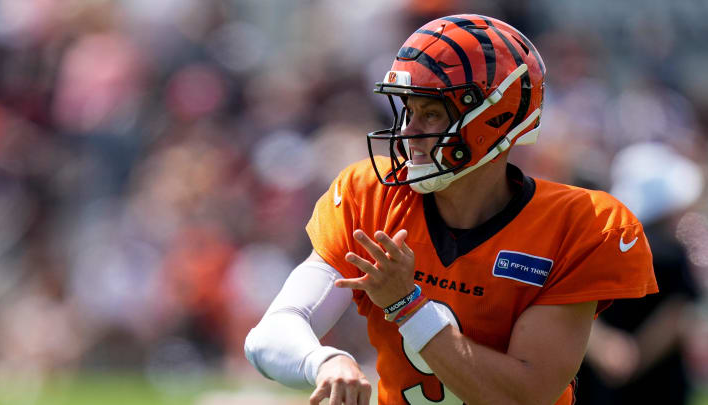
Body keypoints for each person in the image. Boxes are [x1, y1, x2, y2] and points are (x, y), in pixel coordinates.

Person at [245, 14, 658, 405]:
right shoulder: (371, 196)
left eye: (430, 114)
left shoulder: (580, 224)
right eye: (408, 110)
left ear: (495, 119)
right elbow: (268, 336)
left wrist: (407, 305)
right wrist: (325, 361)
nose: (408, 131)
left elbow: (524, 396)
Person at [576, 142, 703, 405]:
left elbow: (576, 305)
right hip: (657, 381)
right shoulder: (671, 253)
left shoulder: (597, 245)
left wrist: (605, 349)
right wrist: (635, 356)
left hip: (599, 381)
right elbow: (676, 315)